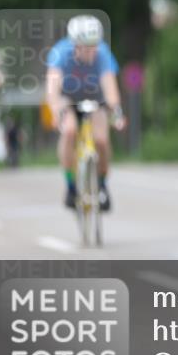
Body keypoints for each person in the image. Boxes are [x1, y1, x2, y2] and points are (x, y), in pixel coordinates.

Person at [45, 15, 127, 212]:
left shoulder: (103, 54)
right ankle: (71, 186)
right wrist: (57, 112)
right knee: (70, 131)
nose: (92, 50)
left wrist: (116, 113)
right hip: (68, 98)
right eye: (86, 46)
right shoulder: (61, 53)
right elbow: (52, 91)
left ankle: (102, 185)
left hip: (95, 98)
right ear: (75, 45)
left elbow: (111, 90)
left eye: (94, 45)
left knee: (101, 140)